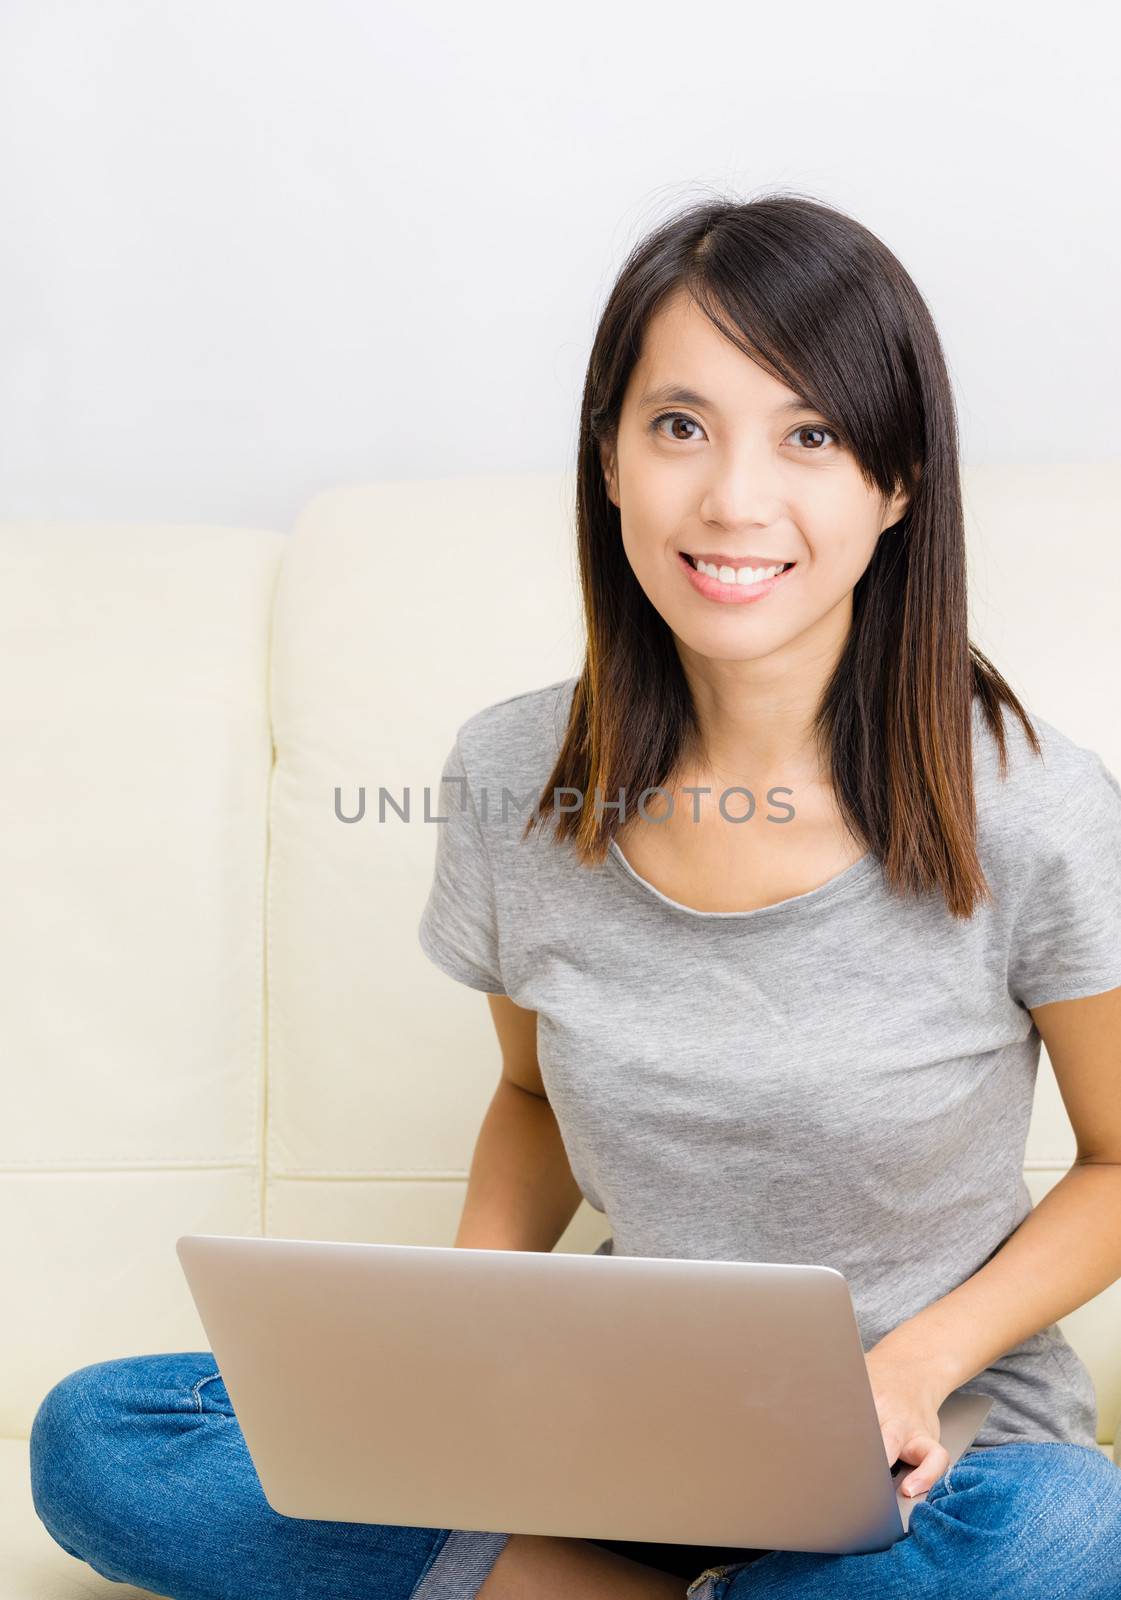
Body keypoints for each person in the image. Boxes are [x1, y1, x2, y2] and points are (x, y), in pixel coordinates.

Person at [29, 193, 1121, 1600]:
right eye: (679, 426)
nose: (733, 499)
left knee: (1054, 1541)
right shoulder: (514, 778)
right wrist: (471, 1328)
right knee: (105, 1441)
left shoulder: (1028, 807)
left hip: (936, 1449)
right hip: (616, 1419)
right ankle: (632, 1566)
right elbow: (534, 1100)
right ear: (608, 456)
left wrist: (910, 1367)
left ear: (896, 482)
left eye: (810, 435)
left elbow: (1114, 1162)